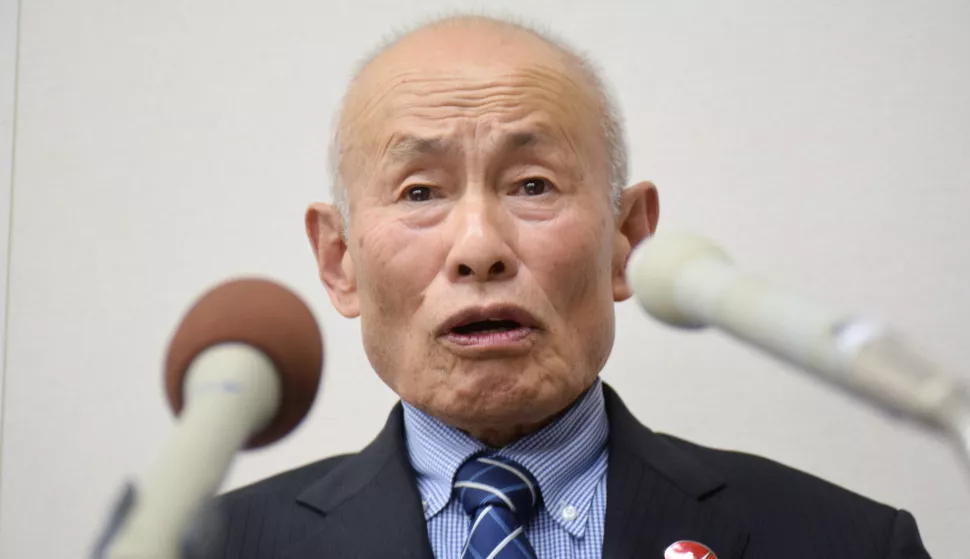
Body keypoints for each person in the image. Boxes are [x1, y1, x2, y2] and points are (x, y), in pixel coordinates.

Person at [211, 15, 931, 559]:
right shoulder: (209, 547)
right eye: (420, 191)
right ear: (340, 259)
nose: (479, 248)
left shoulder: (850, 542)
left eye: (533, 184)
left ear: (627, 239)